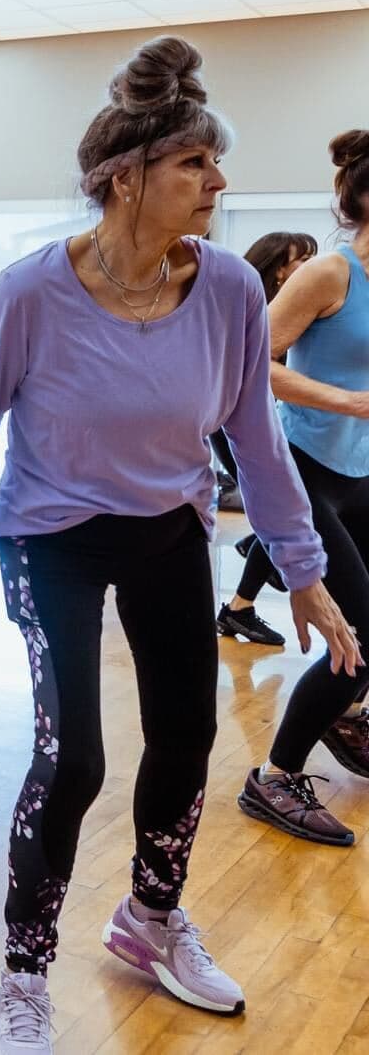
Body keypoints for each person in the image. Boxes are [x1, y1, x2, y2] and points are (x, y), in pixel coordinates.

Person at [0, 37, 360, 1054]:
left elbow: (253, 435)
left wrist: (304, 575)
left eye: (212, 161)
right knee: (71, 761)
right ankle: (23, 977)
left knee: (186, 738)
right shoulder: (30, 290)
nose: (216, 181)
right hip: (46, 538)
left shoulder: (231, 291)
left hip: (165, 530)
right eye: (194, 163)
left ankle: (149, 920)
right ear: (122, 177)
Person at [238, 139, 369, 846]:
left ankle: (346, 712)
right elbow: (252, 361)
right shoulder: (327, 272)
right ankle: (276, 775)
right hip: (305, 464)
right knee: (363, 631)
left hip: (362, 472)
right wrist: (347, 401)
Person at [215, 230, 318, 645]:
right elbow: (255, 378)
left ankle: (240, 606)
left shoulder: (292, 309)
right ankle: (242, 601)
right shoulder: (249, 310)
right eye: (302, 260)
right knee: (284, 509)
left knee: (286, 512)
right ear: (279, 270)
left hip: (268, 427)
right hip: (233, 428)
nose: (311, 267)